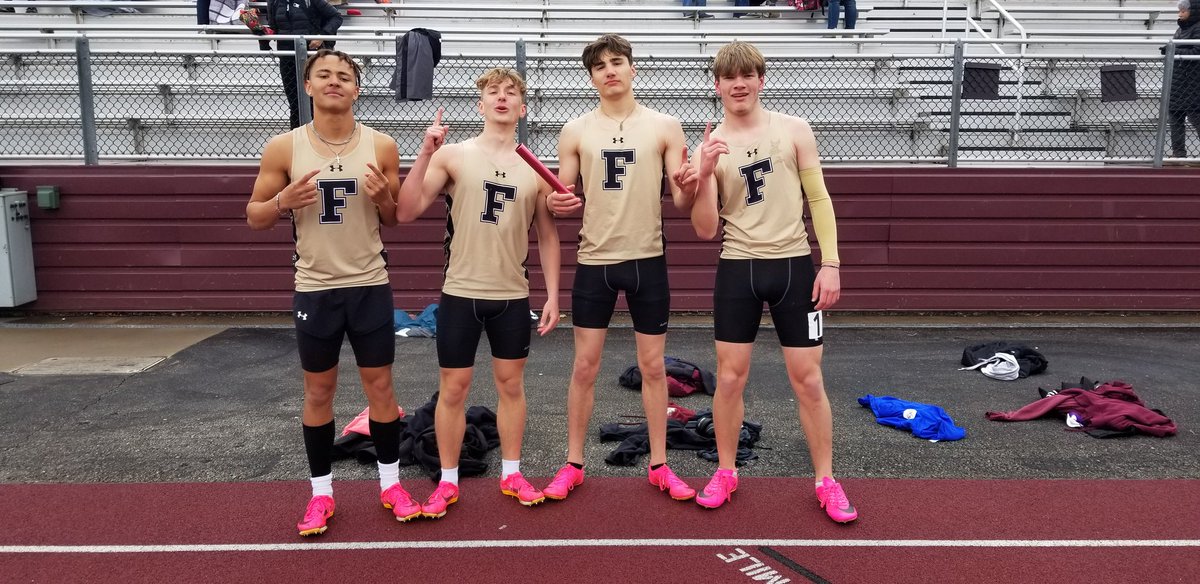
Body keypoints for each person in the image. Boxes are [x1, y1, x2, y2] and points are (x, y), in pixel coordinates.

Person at [673, 41, 857, 523]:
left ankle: (825, 480)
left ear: (761, 79)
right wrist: (706, 173)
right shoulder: (708, 145)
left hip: (794, 266)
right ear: (717, 85)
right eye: (729, 77)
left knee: (809, 380)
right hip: (738, 268)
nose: (739, 84)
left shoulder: (793, 129)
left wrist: (831, 262)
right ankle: (727, 471)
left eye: (747, 75)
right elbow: (705, 229)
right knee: (730, 378)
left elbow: (819, 199)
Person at [246, 49, 418, 536]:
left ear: (357, 88)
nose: (334, 82)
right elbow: (254, 216)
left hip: (368, 284)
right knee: (318, 391)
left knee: (381, 387)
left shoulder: (381, 145)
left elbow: (393, 216)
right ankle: (321, 494)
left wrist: (383, 195)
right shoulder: (284, 147)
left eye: (344, 76)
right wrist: (282, 201)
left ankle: (391, 485)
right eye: (324, 74)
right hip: (316, 288)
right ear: (308, 85)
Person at [396, 68, 562, 519]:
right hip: (461, 292)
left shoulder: (536, 167)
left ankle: (512, 472)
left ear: (523, 108)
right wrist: (424, 152)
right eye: (493, 92)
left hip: (512, 293)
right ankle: (447, 480)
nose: (502, 98)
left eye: (511, 93)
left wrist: (552, 295)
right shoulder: (452, 155)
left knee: (511, 385)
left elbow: (547, 236)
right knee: (454, 388)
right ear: (480, 104)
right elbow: (406, 210)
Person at [544, 34, 696, 504]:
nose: (609, 70)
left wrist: (693, 182)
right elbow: (559, 197)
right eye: (599, 66)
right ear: (590, 77)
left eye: (617, 62)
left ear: (633, 69)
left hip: (647, 259)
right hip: (595, 262)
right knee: (584, 367)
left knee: (653, 367)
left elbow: (683, 199)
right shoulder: (575, 130)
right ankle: (572, 464)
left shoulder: (666, 125)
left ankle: (659, 464)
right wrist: (555, 201)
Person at [264, 0, 343, 129]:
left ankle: (321, 139)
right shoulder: (274, 2)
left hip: (312, 58)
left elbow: (336, 17)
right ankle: (297, 140)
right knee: (295, 104)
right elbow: (273, 27)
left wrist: (321, 36)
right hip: (287, 58)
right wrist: (259, 31)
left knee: (315, 102)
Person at [1168, 0, 1200, 158]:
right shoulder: (1180, 29)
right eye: (1179, 11)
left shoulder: (1198, 27)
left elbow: (1197, 51)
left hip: (1193, 82)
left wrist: (1174, 51)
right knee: (1175, 117)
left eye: (1183, 11)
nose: (1179, 14)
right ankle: (1178, 153)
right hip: (1177, 82)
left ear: (1192, 11)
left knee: (1196, 117)